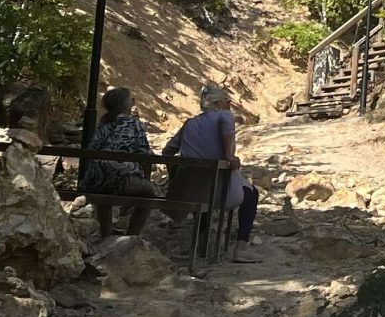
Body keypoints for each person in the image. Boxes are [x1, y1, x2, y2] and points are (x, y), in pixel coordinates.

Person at [164, 80, 260, 247]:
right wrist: (231, 158)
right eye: (228, 101)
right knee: (252, 195)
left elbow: (167, 152)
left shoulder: (190, 123)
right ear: (218, 103)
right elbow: (228, 156)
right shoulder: (225, 116)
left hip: (189, 191)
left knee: (202, 188)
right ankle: (242, 247)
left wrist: (175, 178)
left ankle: (202, 240)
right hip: (217, 191)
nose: (230, 105)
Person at [80, 86, 157, 238]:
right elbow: (144, 153)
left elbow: (92, 148)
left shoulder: (103, 123)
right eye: (130, 99)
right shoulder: (134, 124)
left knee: (104, 196)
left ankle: (106, 235)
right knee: (150, 194)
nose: (133, 101)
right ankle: (132, 236)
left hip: (96, 180)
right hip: (123, 179)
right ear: (125, 104)